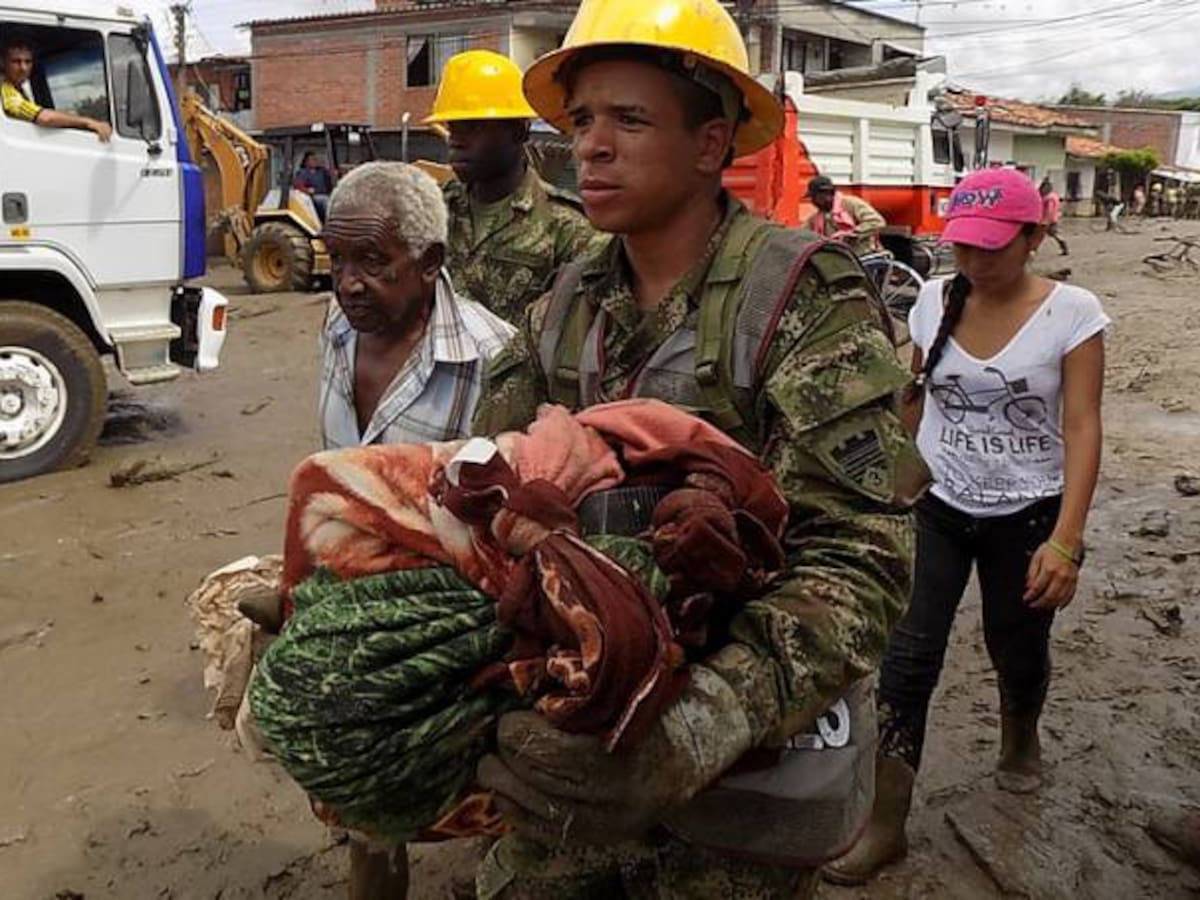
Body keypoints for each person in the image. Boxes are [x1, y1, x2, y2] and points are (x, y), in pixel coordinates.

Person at [470, 0, 926, 896]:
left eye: (629, 119)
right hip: (581, 739)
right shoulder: (564, 306)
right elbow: (486, 485)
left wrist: (699, 727)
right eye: (582, 120)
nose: (591, 146)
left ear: (712, 145)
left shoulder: (800, 298)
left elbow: (865, 556)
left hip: (743, 773)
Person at [824, 168, 1108, 885]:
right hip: (939, 505)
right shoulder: (930, 298)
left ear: (1033, 237)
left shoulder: (1074, 314)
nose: (972, 263)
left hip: (1030, 512)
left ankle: (1019, 735)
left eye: (990, 248)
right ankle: (884, 824)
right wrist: (878, 494)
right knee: (908, 659)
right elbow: (914, 399)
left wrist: (1066, 540)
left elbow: (1082, 426)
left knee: (1015, 645)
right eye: (962, 247)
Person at [318, 160, 514, 898]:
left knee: (474, 790)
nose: (348, 283)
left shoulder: (493, 359)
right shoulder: (338, 330)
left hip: (448, 623)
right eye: (337, 260)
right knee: (360, 798)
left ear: (430, 262)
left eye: (373, 261)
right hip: (351, 602)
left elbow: (502, 529)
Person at [425, 49, 599, 325]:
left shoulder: (566, 229)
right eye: (452, 127)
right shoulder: (433, 213)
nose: (455, 140)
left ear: (519, 131)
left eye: (472, 127)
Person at [2, 38, 111, 141]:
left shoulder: (18, 89)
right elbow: (45, 118)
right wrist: (88, 122)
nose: (23, 68)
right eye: (16, 62)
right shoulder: (5, 90)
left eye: (28, 62)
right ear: (3, 63)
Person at [803, 174, 886, 255]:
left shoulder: (850, 203)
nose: (813, 201)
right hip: (841, 257)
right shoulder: (816, 218)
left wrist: (853, 233)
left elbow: (877, 221)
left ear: (826, 194)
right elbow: (803, 232)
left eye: (814, 197)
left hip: (863, 255)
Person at [294, 151, 334, 220]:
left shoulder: (321, 170)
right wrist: (307, 190)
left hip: (325, 194)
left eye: (316, 159)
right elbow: (298, 185)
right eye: (313, 159)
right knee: (325, 201)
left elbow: (331, 174)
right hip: (312, 197)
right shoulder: (303, 173)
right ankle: (329, 220)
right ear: (306, 162)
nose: (315, 161)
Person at [1039, 178, 1068, 256]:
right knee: (1053, 234)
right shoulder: (1054, 196)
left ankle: (1064, 246)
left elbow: (1049, 210)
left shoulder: (1049, 198)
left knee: (1051, 234)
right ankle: (1063, 246)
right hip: (1053, 218)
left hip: (1049, 220)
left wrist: (1045, 220)